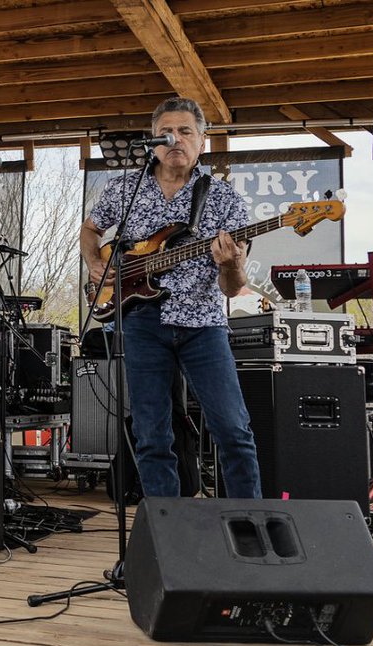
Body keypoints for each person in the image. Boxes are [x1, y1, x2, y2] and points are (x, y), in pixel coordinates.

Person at [79, 96, 261, 499]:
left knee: (232, 428)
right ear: (153, 140)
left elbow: (232, 288)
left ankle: (251, 521)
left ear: (201, 140)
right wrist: (96, 263)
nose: (174, 139)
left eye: (185, 132)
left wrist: (229, 264)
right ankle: (165, 523)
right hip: (142, 322)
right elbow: (90, 230)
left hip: (203, 325)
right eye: (166, 132)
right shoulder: (125, 190)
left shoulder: (224, 199)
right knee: (150, 432)